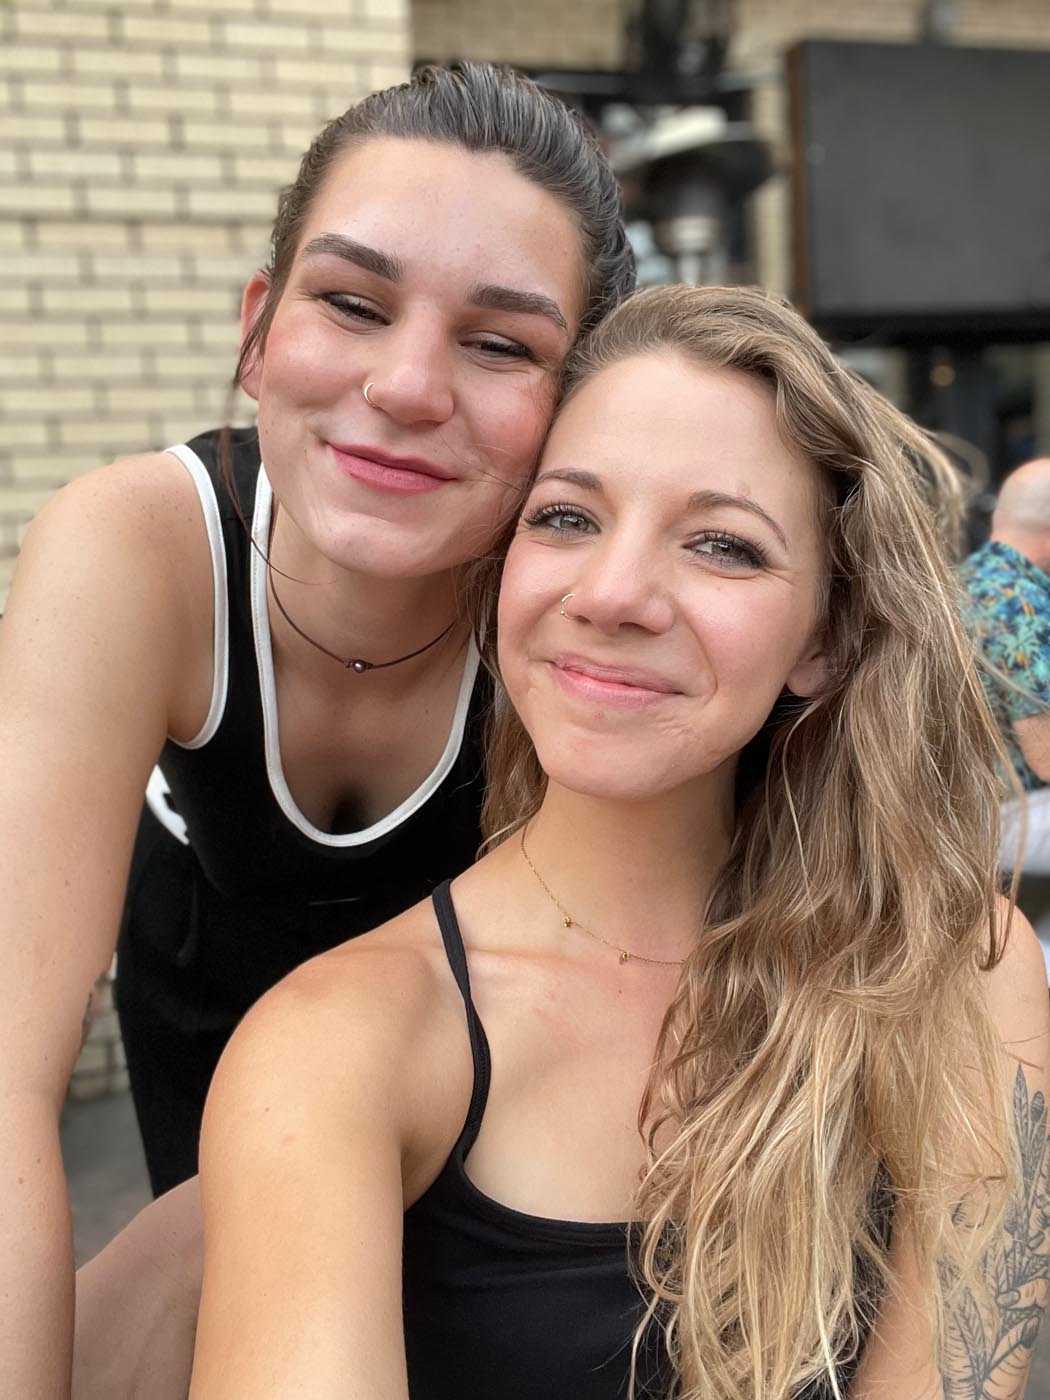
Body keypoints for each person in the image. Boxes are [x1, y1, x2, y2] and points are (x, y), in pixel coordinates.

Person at [182, 286, 1047, 1399]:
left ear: (825, 636)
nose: (615, 594)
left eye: (723, 544)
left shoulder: (962, 972)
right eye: (566, 518)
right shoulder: (337, 1048)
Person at [0, 61, 634, 1395]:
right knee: (206, 1280)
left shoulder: (581, 609)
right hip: (201, 1000)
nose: (405, 386)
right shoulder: (136, 548)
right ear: (256, 331)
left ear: (575, 406)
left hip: (468, 1053)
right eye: (352, 302)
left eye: (500, 344)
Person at [959, 459, 1050, 962]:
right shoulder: (1023, 605)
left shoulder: (962, 580)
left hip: (954, 804)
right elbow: (1046, 757)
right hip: (1002, 813)